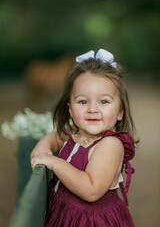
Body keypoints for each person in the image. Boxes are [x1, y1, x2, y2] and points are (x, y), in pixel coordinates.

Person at [31, 49, 137, 227]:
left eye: (103, 101)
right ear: (70, 109)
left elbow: (91, 189)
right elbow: (55, 137)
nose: (92, 109)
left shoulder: (110, 145)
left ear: (120, 112)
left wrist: (53, 162)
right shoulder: (76, 133)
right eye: (82, 101)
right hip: (63, 214)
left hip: (90, 222)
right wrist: (44, 145)